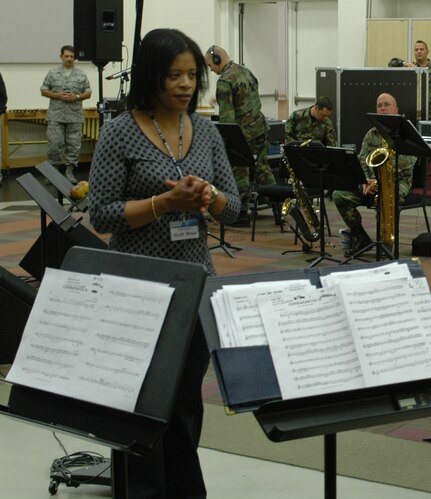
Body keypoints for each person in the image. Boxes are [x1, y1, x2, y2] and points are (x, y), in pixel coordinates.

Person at [89, 28, 240, 499]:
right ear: (152, 74)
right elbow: (102, 212)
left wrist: (207, 195)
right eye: (174, 74)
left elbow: (233, 208)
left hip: (194, 286)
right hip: (136, 286)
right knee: (137, 403)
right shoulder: (120, 132)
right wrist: (164, 202)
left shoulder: (208, 133)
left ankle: (182, 490)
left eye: (192, 75)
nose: (185, 84)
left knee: (185, 403)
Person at [331, 93, 416, 257]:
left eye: (386, 104)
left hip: (398, 182)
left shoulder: (406, 132)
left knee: (388, 195)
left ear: (396, 109)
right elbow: (362, 160)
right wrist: (364, 181)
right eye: (379, 105)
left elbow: (408, 162)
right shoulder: (371, 134)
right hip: (371, 182)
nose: (382, 108)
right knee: (340, 195)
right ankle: (361, 237)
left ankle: (386, 243)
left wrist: (378, 181)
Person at [205, 45, 275, 227]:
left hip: (244, 133)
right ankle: (280, 208)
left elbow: (227, 120)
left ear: (217, 60)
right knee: (263, 169)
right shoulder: (246, 71)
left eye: (210, 65)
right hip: (261, 128)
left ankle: (241, 214)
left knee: (239, 171)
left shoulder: (225, 81)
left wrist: (225, 142)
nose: (211, 69)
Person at [41, 45, 91, 183]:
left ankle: (69, 172)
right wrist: (57, 95)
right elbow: (43, 90)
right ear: (61, 56)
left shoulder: (81, 74)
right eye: (66, 56)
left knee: (73, 145)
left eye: (72, 57)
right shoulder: (52, 73)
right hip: (56, 115)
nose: (69, 59)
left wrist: (77, 96)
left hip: (74, 116)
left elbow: (88, 92)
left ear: (75, 58)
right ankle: (53, 173)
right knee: (54, 144)